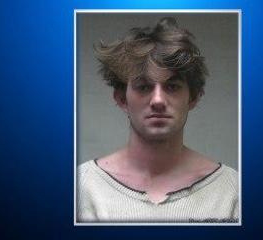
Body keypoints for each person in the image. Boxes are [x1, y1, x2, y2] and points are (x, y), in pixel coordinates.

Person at [77, 17, 238, 223]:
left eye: (172, 86)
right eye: (144, 86)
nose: (158, 100)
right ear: (121, 98)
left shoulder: (233, 192)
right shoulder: (80, 187)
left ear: (194, 97)